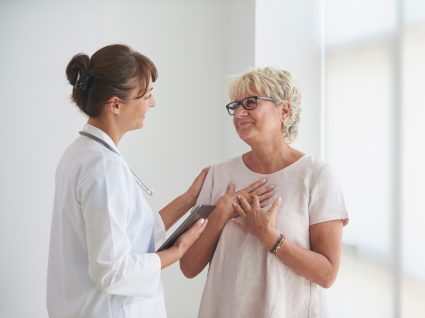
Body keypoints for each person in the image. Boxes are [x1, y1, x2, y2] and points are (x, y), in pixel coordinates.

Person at [47, 44, 212, 318]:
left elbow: (132, 235)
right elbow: (112, 272)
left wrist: (188, 199)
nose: (152, 103)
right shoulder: (103, 167)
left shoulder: (81, 153)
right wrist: (178, 251)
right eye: (145, 95)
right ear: (115, 104)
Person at [180, 67, 349, 318]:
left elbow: (327, 274)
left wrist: (268, 236)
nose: (239, 113)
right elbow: (189, 265)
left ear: (284, 110)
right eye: (235, 106)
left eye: (250, 103)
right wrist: (222, 213)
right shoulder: (219, 175)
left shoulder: (317, 175)